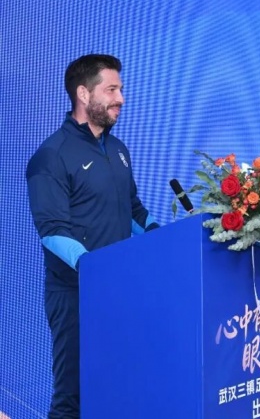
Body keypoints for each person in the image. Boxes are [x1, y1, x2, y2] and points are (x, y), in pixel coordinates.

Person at [26, 54, 159, 418]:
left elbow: (133, 212)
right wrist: (95, 269)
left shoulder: (118, 150)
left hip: (120, 288)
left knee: (120, 382)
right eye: (111, 90)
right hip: (75, 296)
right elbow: (52, 231)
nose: (121, 98)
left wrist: (161, 237)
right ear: (83, 94)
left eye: (121, 89)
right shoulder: (51, 156)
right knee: (73, 396)